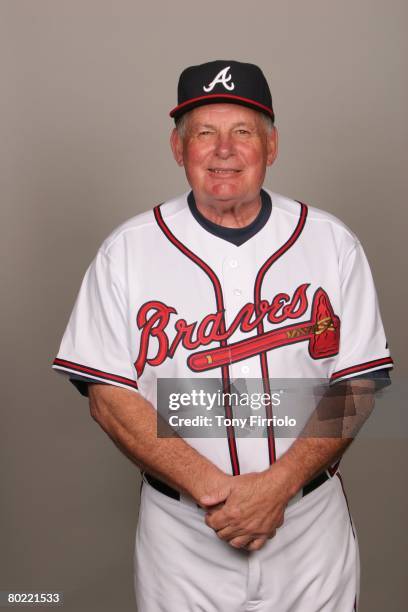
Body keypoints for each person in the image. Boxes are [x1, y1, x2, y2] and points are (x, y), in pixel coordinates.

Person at [53, 60, 393, 611]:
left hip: (308, 527)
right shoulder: (129, 250)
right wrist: (219, 492)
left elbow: (355, 386)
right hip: (183, 532)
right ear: (177, 147)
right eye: (204, 133)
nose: (224, 150)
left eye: (243, 132)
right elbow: (111, 399)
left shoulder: (331, 242)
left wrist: (274, 489)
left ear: (272, 146)